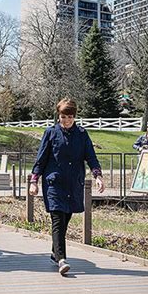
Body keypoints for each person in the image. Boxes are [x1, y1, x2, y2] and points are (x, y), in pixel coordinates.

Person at [29, 98, 105, 276]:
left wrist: (98, 176)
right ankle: (62, 259)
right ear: (59, 116)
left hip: (73, 184)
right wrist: (34, 181)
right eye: (63, 116)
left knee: (65, 220)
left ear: (74, 117)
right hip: (54, 183)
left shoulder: (82, 134)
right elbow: (41, 158)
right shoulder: (51, 133)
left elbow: (91, 156)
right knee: (57, 220)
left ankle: (55, 252)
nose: (66, 120)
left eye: (70, 117)